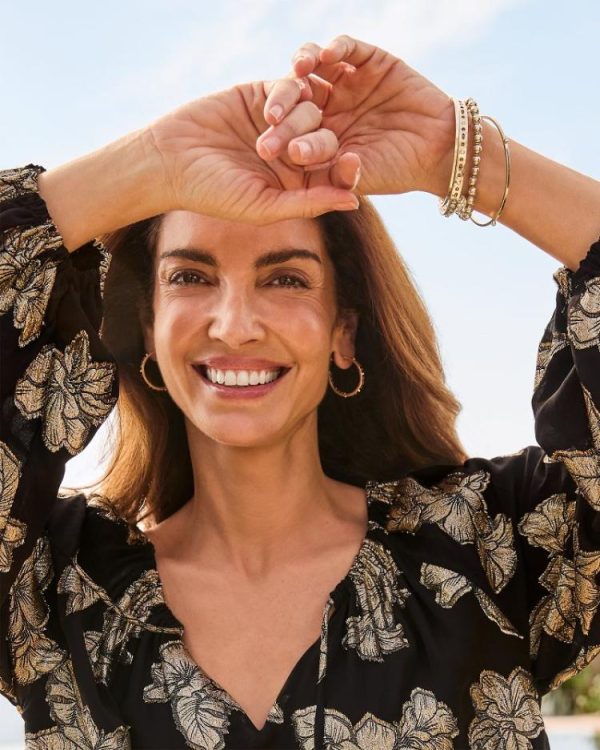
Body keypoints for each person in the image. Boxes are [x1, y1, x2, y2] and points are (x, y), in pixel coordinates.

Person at [1, 33, 599, 750]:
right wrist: (149, 164)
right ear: (148, 331)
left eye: (285, 278)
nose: (235, 324)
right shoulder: (52, 593)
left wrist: (456, 153)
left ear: (344, 331)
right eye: (190, 277)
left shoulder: (488, 551)